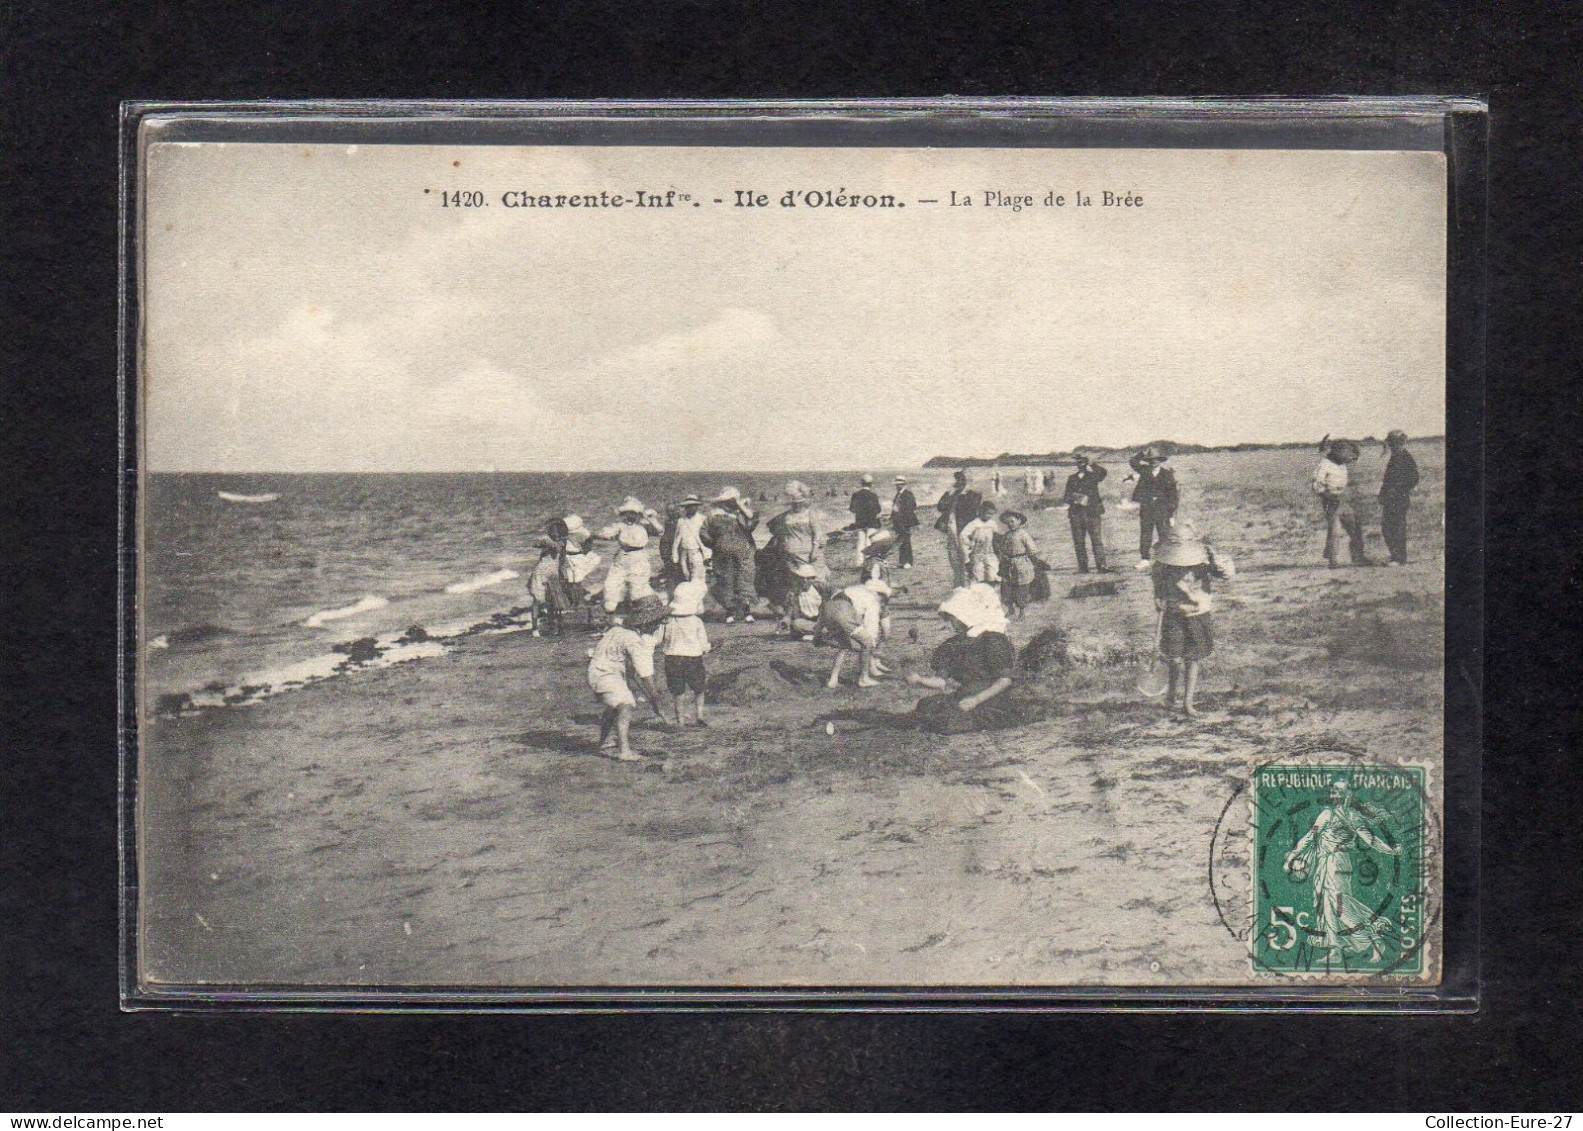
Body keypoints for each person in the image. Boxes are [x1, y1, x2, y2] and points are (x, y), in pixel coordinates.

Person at [1283, 780, 1403, 962]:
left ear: (1348, 796)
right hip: (1327, 863)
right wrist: (1293, 854)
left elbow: (1370, 840)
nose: (1336, 794)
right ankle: (1336, 950)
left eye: (1340, 791)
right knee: (1328, 906)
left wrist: (1390, 851)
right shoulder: (1327, 814)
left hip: (1336, 863)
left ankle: (1373, 939)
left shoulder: (1350, 817)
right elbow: (1310, 837)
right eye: (1333, 791)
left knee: (1339, 906)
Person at [907, 584, 1018, 734]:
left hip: (991, 698)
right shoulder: (954, 645)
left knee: (948, 721)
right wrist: (920, 679)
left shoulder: (992, 640)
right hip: (964, 698)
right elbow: (940, 681)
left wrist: (976, 699)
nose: (951, 623)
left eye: (953, 618)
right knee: (926, 705)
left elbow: (1005, 680)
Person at [1150, 523, 1232, 717]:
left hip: (1198, 613)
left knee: (1192, 659)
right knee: (1174, 657)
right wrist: (1157, 597)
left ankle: (1188, 702)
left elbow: (1226, 574)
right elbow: (1157, 580)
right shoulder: (1163, 563)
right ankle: (1171, 695)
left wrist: (1215, 559)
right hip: (1173, 613)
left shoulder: (1203, 562)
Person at [586, 594, 669, 761]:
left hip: (600, 672)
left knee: (613, 708)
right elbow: (645, 674)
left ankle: (603, 743)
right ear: (647, 622)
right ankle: (624, 751)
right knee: (625, 705)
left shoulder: (617, 630)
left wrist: (652, 698)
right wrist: (656, 700)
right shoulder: (633, 640)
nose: (658, 626)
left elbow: (633, 674)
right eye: (657, 622)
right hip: (605, 674)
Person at [819, 575, 893, 689]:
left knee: (843, 646)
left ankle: (833, 680)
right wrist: (870, 644)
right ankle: (864, 678)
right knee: (867, 642)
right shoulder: (871, 600)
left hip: (827, 610)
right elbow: (866, 624)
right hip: (842, 612)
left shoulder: (857, 590)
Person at [594, 498, 664, 614]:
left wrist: (650, 518)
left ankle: (641, 609)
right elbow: (605, 533)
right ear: (624, 514)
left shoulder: (644, 525)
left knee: (637, 586)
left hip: (638, 557)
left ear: (638, 514)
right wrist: (602, 534)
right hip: (623, 556)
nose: (630, 515)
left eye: (633, 513)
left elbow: (659, 530)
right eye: (628, 513)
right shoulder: (620, 526)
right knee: (612, 583)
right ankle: (611, 609)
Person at [703, 486, 759, 623]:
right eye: (729, 502)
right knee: (726, 581)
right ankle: (730, 612)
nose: (730, 504)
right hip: (723, 554)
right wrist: (716, 545)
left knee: (745, 579)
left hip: (744, 552)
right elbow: (704, 534)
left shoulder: (741, 514)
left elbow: (751, 524)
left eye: (732, 501)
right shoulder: (714, 516)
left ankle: (746, 611)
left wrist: (741, 506)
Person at [661, 579, 712, 727]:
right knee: (699, 688)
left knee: (678, 692)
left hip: (672, 657)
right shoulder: (696, 621)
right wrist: (706, 648)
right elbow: (703, 642)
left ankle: (680, 721)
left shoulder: (668, 621)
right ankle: (700, 715)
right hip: (693, 658)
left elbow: (661, 638)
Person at [1312, 438, 1368, 568]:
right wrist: (1326, 495)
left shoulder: (1341, 463)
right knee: (1335, 530)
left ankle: (1358, 556)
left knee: (1354, 527)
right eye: (1346, 454)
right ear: (1337, 452)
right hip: (1330, 499)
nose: (1348, 458)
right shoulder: (1325, 464)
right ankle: (1333, 560)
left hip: (1341, 498)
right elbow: (1316, 484)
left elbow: (1355, 457)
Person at [1129, 446, 1179, 569]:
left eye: (1155, 459)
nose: (1153, 462)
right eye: (1150, 460)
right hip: (1147, 509)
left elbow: (1173, 495)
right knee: (1146, 534)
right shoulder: (1144, 471)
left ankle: (1166, 560)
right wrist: (1142, 452)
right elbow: (1133, 462)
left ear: (1160, 461)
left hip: (1162, 510)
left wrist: (1171, 514)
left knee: (1164, 534)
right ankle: (1145, 559)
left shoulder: (1167, 474)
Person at [1379, 430, 1421, 566]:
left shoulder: (1405, 457)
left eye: (1393, 443)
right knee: (1388, 527)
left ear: (1401, 443)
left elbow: (1414, 478)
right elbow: (1388, 479)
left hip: (1399, 498)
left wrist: (1398, 489)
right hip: (1391, 498)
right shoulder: (1396, 456)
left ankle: (1399, 558)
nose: (1391, 446)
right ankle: (1395, 556)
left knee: (1396, 527)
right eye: (1391, 444)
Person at [934, 470, 983, 587]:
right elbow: (940, 507)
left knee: (967, 558)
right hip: (952, 530)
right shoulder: (952, 494)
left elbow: (971, 509)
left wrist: (960, 495)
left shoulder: (973, 495)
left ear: (967, 481)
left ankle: (969, 586)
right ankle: (959, 586)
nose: (959, 482)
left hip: (965, 531)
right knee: (954, 558)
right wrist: (948, 494)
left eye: (962, 479)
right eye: (957, 479)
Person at [1063, 454, 1109, 573]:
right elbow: (1066, 497)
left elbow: (1103, 472)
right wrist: (1077, 499)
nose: (1081, 464)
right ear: (1076, 464)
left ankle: (1102, 566)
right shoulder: (1071, 478)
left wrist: (1093, 464)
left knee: (1096, 540)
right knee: (1078, 541)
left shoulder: (1094, 476)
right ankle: (1083, 567)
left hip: (1092, 513)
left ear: (1086, 463)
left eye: (1083, 462)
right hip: (1076, 514)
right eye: (1079, 462)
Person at [998, 510, 1041, 619]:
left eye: (1012, 521)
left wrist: (1035, 561)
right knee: (1006, 587)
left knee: (1021, 587)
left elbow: (1032, 549)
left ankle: (1022, 611)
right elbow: (1002, 549)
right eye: (1007, 522)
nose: (1010, 524)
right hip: (1008, 564)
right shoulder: (1006, 536)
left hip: (1021, 563)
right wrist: (1003, 558)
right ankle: (1010, 609)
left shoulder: (1023, 534)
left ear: (1019, 521)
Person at [959, 499, 1003, 583]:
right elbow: (963, 535)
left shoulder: (992, 523)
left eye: (991, 514)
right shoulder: (974, 523)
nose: (989, 516)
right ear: (981, 511)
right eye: (988, 513)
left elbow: (996, 535)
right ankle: (980, 589)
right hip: (977, 552)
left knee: (992, 572)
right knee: (978, 573)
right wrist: (969, 544)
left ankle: (991, 588)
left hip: (989, 552)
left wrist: (998, 544)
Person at [783, 560, 826, 639]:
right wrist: (786, 619)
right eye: (802, 578)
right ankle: (819, 634)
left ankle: (820, 633)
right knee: (796, 624)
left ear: (812, 579)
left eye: (808, 578)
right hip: (807, 622)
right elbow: (790, 611)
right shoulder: (794, 594)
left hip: (823, 621)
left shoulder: (821, 590)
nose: (804, 581)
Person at [847, 473, 883, 565]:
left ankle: (859, 563)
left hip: (860, 522)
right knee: (869, 542)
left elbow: (852, 509)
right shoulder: (873, 495)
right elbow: (878, 509)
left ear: (861, 483)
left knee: (860, 543)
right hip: (871, 522)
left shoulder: (856, 495)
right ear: (871, 484)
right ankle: (869, 562)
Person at [671, 494, 709, 582]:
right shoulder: (681, 520)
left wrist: (707, 556)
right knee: (685, 576)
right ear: (685, 507)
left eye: (694, 506)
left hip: (697, 552)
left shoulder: (702, 519)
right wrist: (675, 556)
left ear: (697, 507)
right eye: (688, 506)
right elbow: (676, 540)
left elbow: (706, 539)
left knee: (698, 577)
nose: (691, 508)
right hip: (683, 553)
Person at [890, 476, 919, 569]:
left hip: (905, 521)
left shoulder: (907, 494)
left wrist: (899, 511)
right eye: (896, 485)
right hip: (899, 521)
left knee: (906, 540)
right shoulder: (898, 494)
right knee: (901, 540)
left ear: (903, 484)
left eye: (898, 485)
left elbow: (911, 507)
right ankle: (902, 561)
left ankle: (908, 562)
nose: (897, 486)